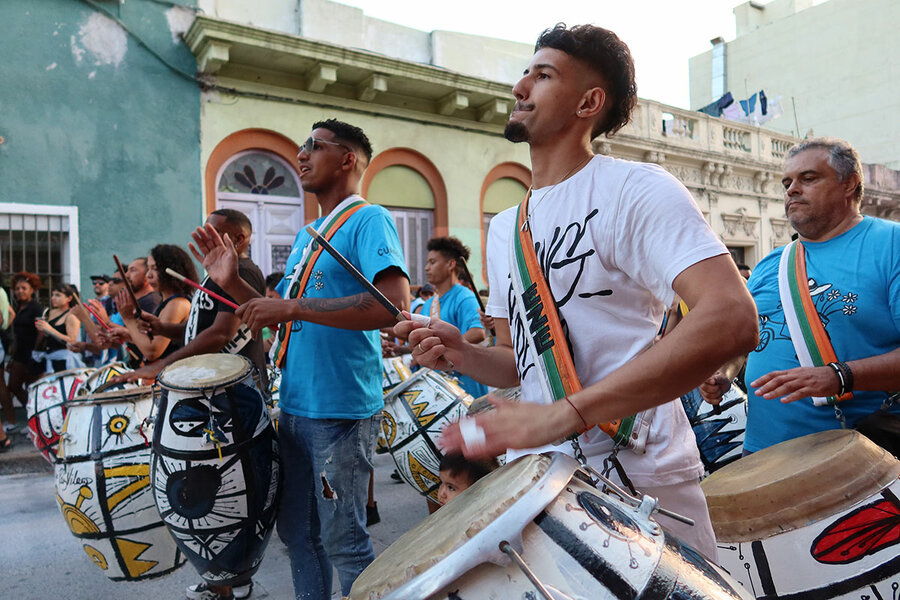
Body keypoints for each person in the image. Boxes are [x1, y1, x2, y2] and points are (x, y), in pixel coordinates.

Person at [396, 24, 758, 557]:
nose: (521, 87)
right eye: (526, 72)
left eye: (543, 75)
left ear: (590, 102)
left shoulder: (635, 190)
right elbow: (524, 365)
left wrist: (566, 414)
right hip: (541, 480)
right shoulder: (505, 227)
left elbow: (732, 317)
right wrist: (464, 354)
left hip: (642, 473)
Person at [190, 118, 410, 599]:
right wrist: (230, 281)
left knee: (344, 541)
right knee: (298, 537)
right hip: (293, 406)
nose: (301, 155)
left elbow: (391, 307)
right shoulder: (310, 233)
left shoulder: (368, 219)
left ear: (348, 158)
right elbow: (286, 317)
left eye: (314, 146)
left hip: (341, 410)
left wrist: (290, 305)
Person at [701, 138, 900, 454]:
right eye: (787, 182)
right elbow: (743, 342)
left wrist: (840, 376)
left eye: (808, 178)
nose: (792, 189)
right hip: (761, 455)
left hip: (856, 461)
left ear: (849, 184)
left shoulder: (892, 245)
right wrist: (722, 373)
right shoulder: (772, 264)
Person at [421, 237, 487, 398]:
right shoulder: (428, 304)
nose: (426, 268)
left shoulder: (465, 297)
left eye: (432, 262)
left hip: (465, 390)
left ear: (450, 264)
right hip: (438, 390)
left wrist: (442, 351)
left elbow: (478, 332)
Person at [113, 245, 196, 362]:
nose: (148, 275)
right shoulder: (166, 301)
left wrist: (128, 319)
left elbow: (153, 351)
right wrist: (129, 335)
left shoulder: (177, 304)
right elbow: (155, 341)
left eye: (155, 268)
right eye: (148, 269)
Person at [5, 272, 45, 417]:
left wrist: (35, 353)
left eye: (24, 288)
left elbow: (42, 331)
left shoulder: (36, 308)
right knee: (14, 386)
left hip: (32, 355)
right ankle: (32, 415)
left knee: (32, 389)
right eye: (17, 289)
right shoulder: (18, 307)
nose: (20, 291)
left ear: (32, 290)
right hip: (19, 354)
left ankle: (35, 418)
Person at [34, 283, 85, 373]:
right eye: (53, 295)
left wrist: (50, 329)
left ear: (69, 298)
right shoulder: (50, 312)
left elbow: (72, 341)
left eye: (58, 295)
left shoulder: (71, 316)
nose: (53, 298)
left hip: (63, 359)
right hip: (48, 357)